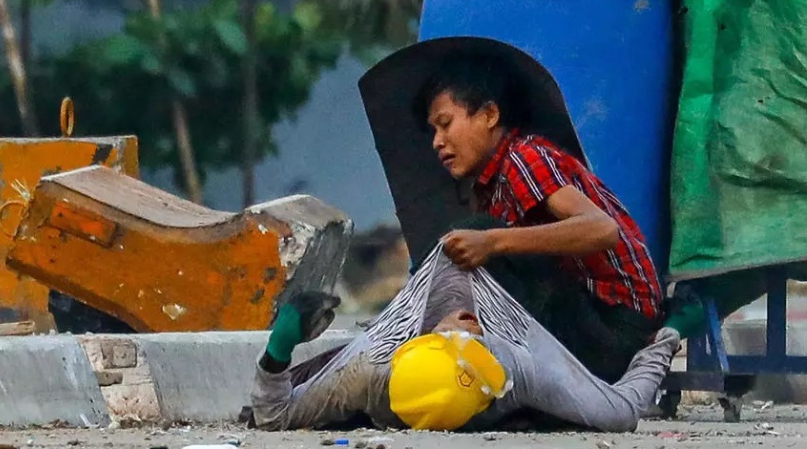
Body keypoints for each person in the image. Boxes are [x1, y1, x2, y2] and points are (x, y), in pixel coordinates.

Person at [415, 55, 665, 383]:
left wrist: (492, 242)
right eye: (433, 130)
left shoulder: (523, 158)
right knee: (463, 248)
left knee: (478, 233)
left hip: (616, 329)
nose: (437, 142)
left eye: (445, 124)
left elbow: (602, 229)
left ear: (489, 114)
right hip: (587, 322)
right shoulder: (490, 190)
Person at [249, 244, 679, 432]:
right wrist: (667, 339)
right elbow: (620, 411)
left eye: (460, 333)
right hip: (495, 302)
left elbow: (273, 415)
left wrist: (280, 350)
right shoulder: (510, 366)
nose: (462, 325)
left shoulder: (373, 367)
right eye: (464, 333)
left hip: (491, 278)